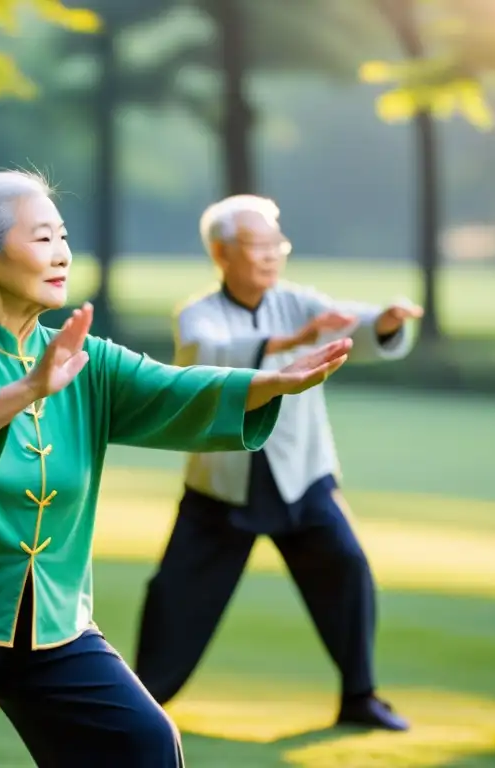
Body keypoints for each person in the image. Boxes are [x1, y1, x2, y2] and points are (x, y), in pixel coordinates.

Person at [0, 170, 354, 768]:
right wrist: (30, 387)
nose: (63, 254)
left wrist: (271, 382)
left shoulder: (89, 359)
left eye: (63, 236)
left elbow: (178, 390)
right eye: (43, 239)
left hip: (50, 620)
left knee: (142, 744)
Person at [133, 194, 424, 732]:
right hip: (221, 488)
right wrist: (292, 341)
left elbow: (348, 326)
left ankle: (360, 696)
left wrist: (381, 322)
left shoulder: (297, 300)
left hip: (302, 477)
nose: (270, 255)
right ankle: (138, 706)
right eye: (257, 245)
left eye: (276, 244)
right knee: (175, 598)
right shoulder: (199, 313)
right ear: (222, 254)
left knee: (347, 571)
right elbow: (208, 355)